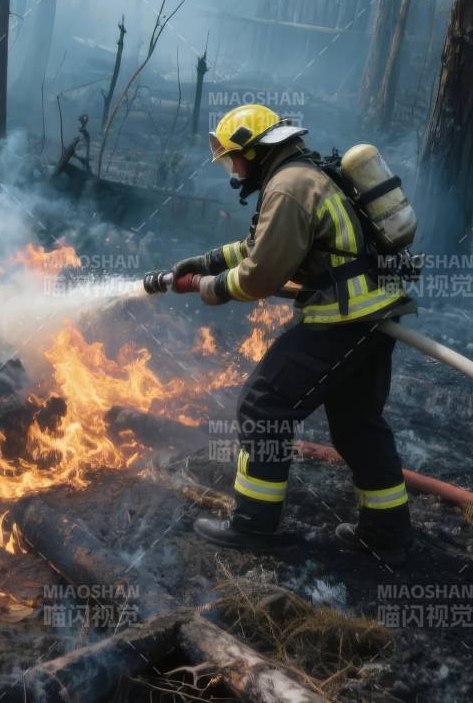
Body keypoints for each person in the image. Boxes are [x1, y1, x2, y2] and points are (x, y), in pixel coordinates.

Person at [149, 103, 414, 562]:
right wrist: (207, 260)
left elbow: (260, 276)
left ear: (255, 152)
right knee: (357, 425)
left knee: (264, 405)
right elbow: (262, 244)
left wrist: (209, 287)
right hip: (372, 319)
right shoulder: (302, 174)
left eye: (235, 158)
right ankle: (388, 531)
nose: (234, 171)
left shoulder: (289, 187)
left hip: (341, 322)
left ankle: (253, 525)